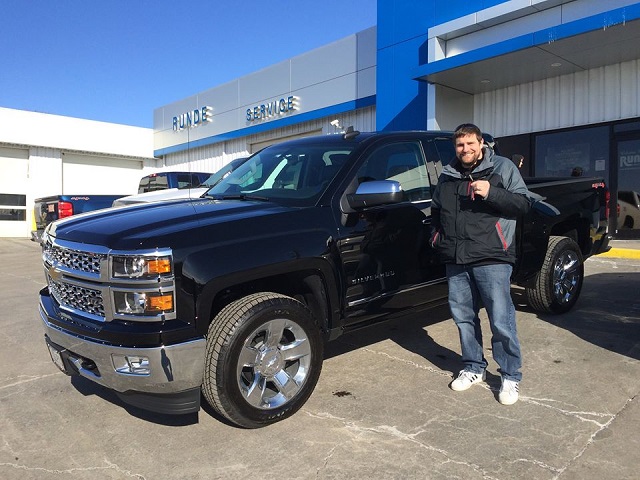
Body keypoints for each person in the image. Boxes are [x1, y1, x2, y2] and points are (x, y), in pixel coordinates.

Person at [429, 123, 531, 405]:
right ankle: (474, 367)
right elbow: (436, 210)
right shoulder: (448, 176)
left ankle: (510, 376)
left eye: (470, 144)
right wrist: (437, 237)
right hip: (456, 258)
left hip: (492, 256)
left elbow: (523, 204)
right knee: (463, 318)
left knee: (501, 318)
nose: (466, 150)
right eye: (460, 145)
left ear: (481, 143)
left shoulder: (503, 168)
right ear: (455, 148)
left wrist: (492, 193)